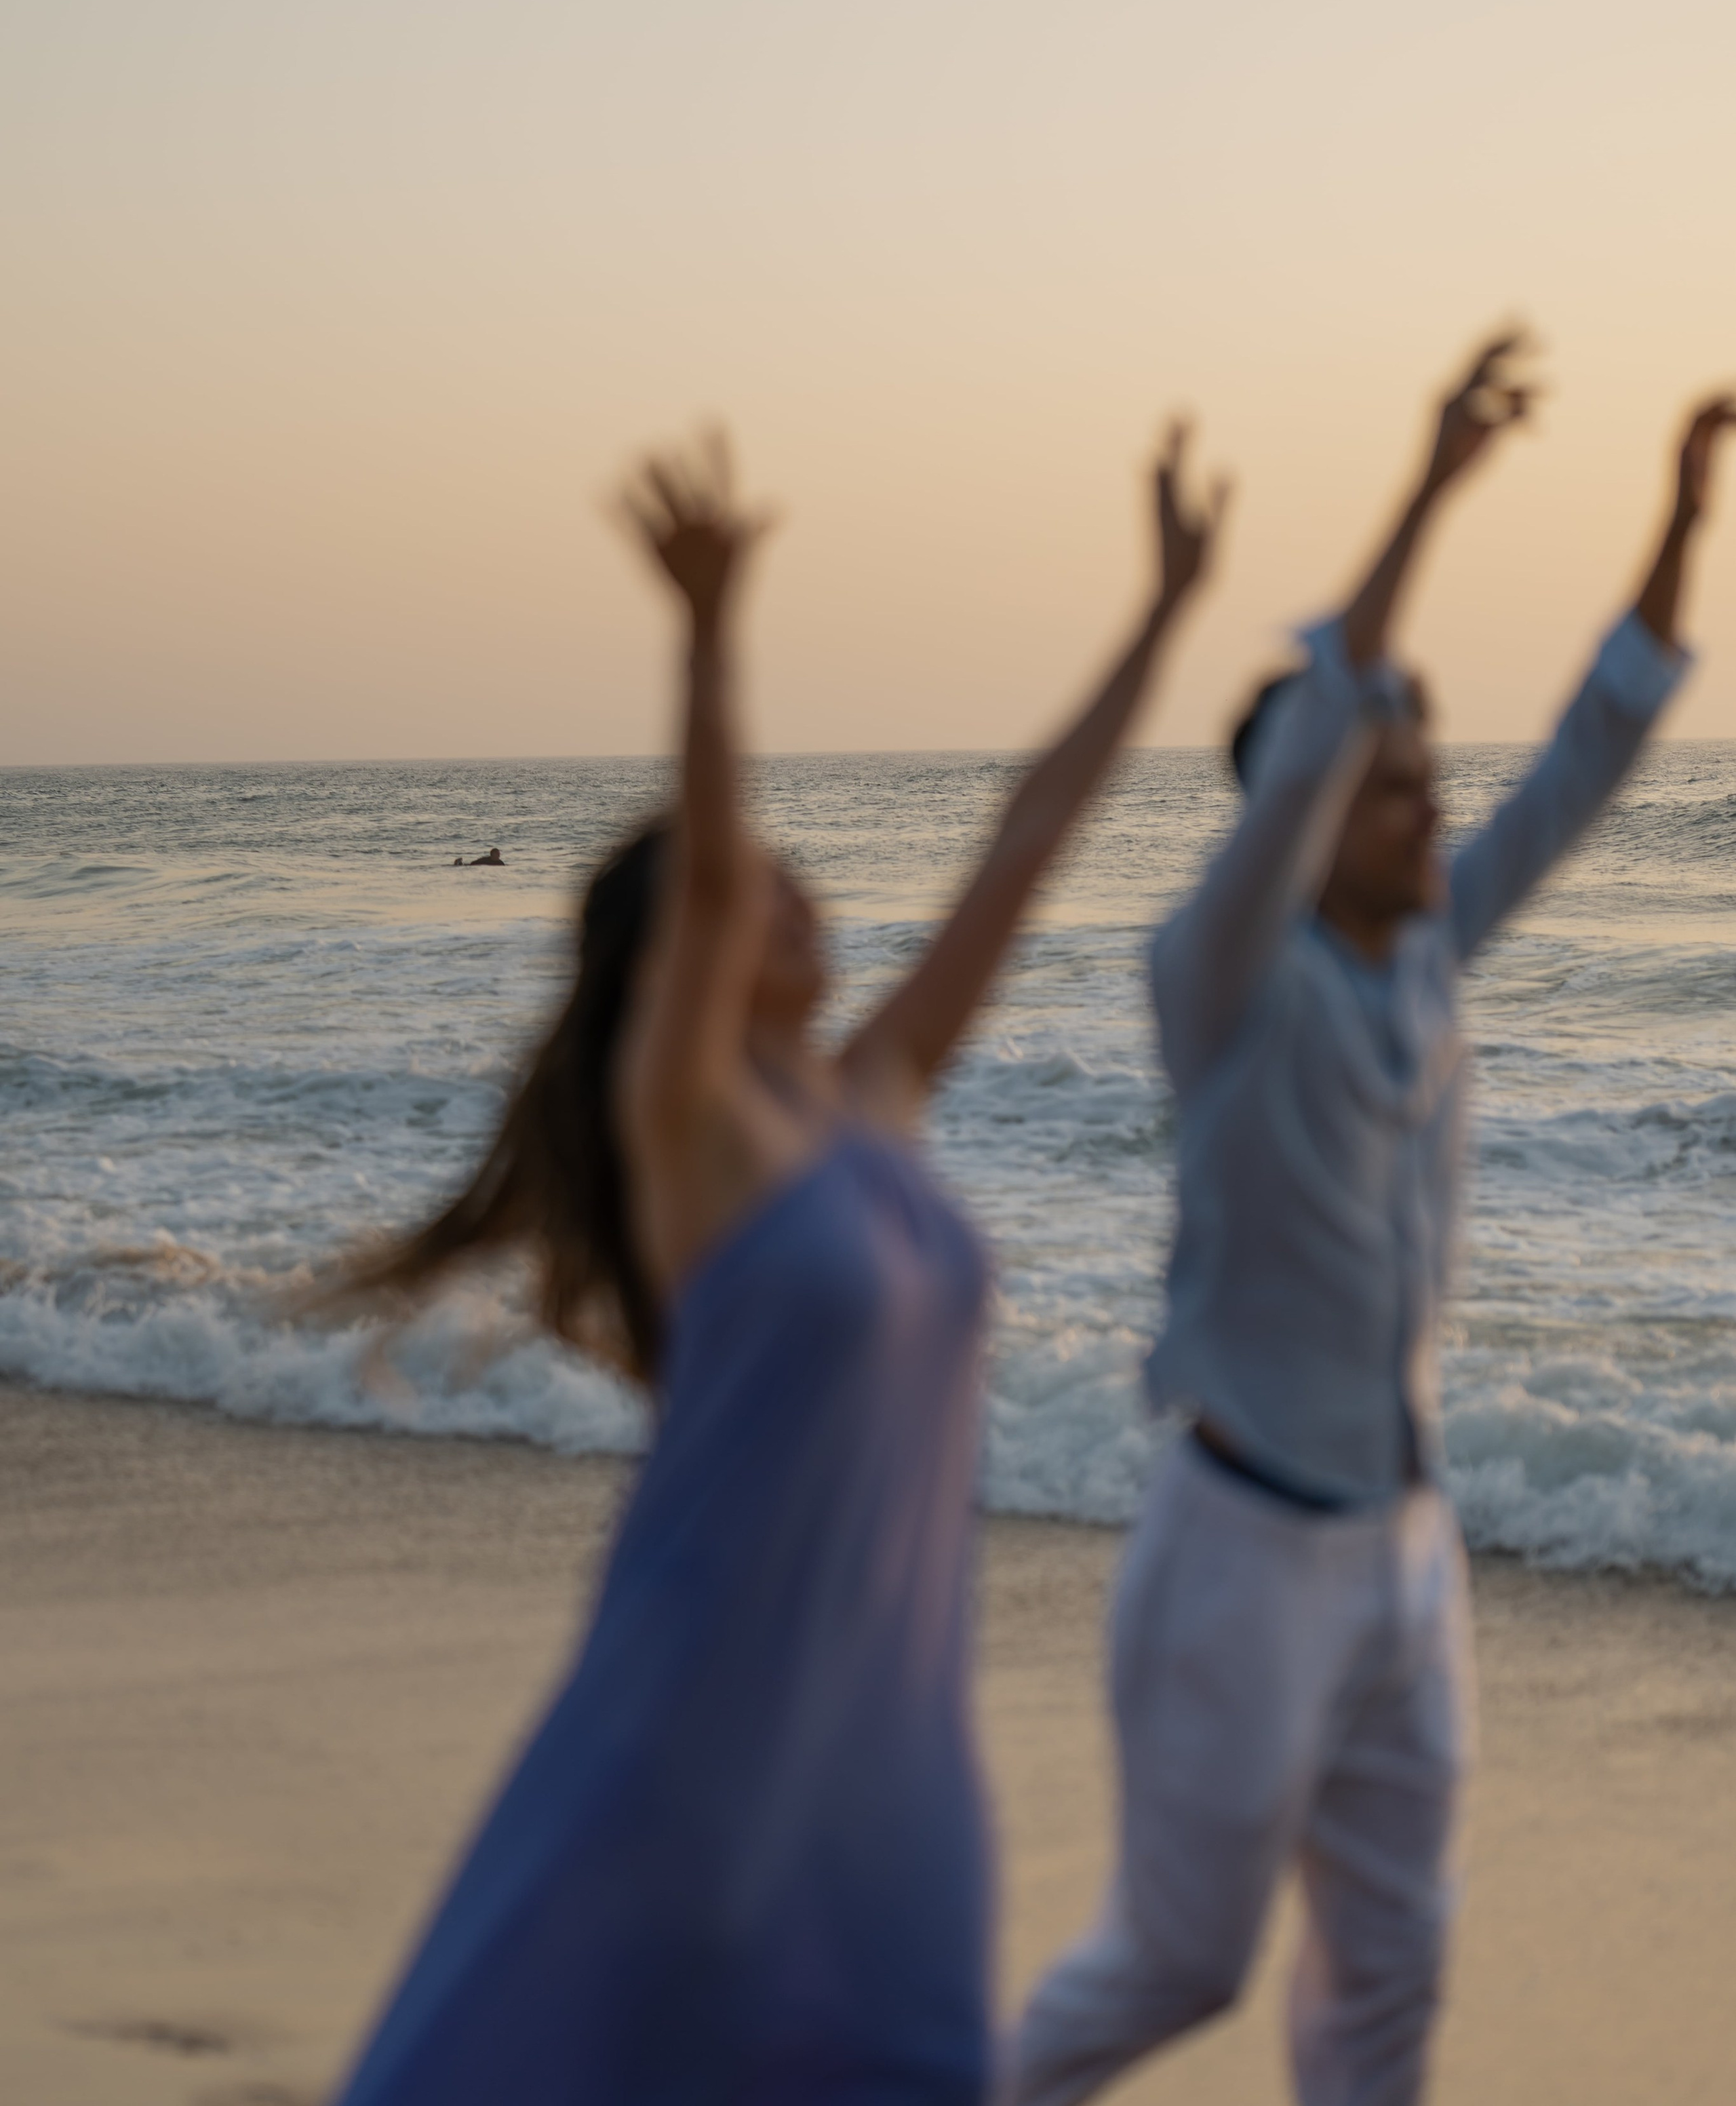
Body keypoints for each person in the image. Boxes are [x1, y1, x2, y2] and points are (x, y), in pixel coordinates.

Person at [326, 421, 1227, 2106]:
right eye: (763, 893)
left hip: (893, 1753)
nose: (805, 908)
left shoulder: (869, 1104)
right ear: (702, 948)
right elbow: (712, 864)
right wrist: (711, 634)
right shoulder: (697, 1133)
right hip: (704, 1726)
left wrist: (1163, 611)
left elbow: (1022, 840)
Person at [1010, 342, 1735, 2106]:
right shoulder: (1220, 980)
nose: (1438, 802)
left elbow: (1588, 754)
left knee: (1390, 1980)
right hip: (1243, 1546)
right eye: (1402, 777)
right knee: (1181, 1959)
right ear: (1313, 811)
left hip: (1408, 1552)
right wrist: (1425, 491)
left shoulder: (1418, 944)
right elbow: (1327, 716)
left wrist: (1684, 509)